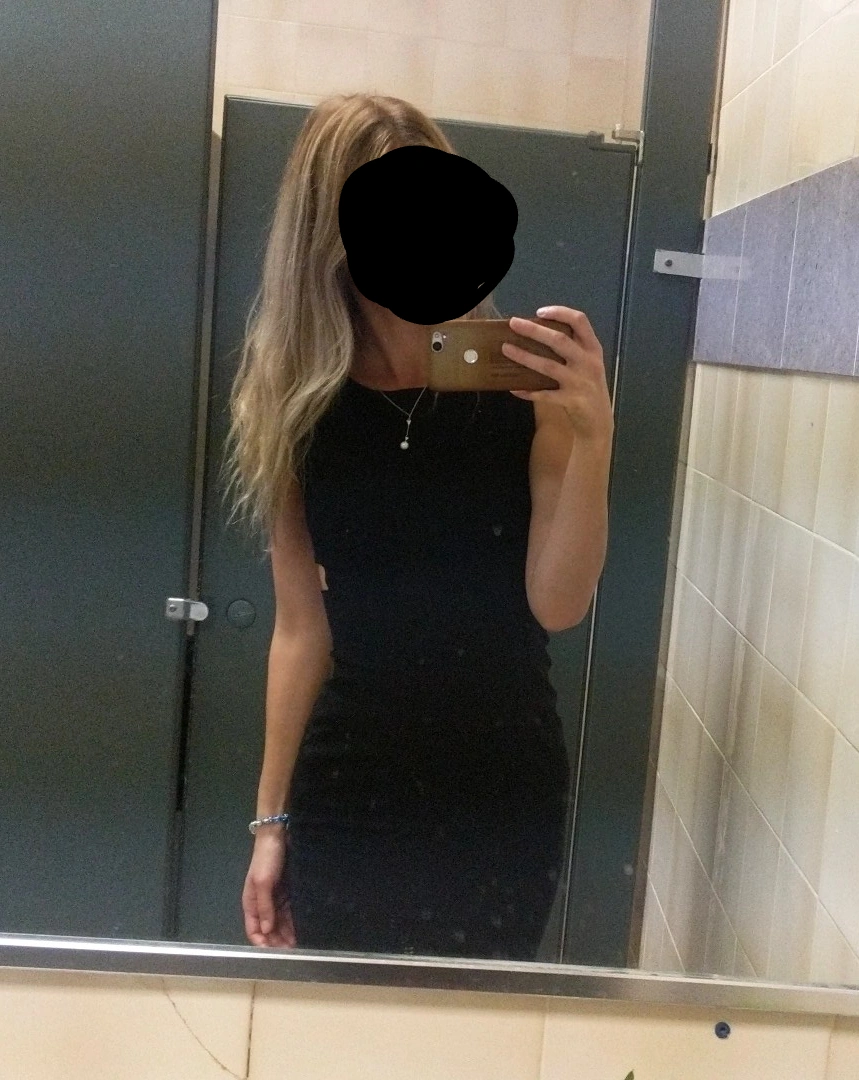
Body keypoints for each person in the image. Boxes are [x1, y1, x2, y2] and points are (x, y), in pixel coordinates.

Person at [222, 93, 614, 960]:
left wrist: (594, 437)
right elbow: (300, 629)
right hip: (349, 786)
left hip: (501, 788)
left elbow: (558, 604)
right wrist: (269, 823)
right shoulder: (299, 406)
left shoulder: (523, 384)